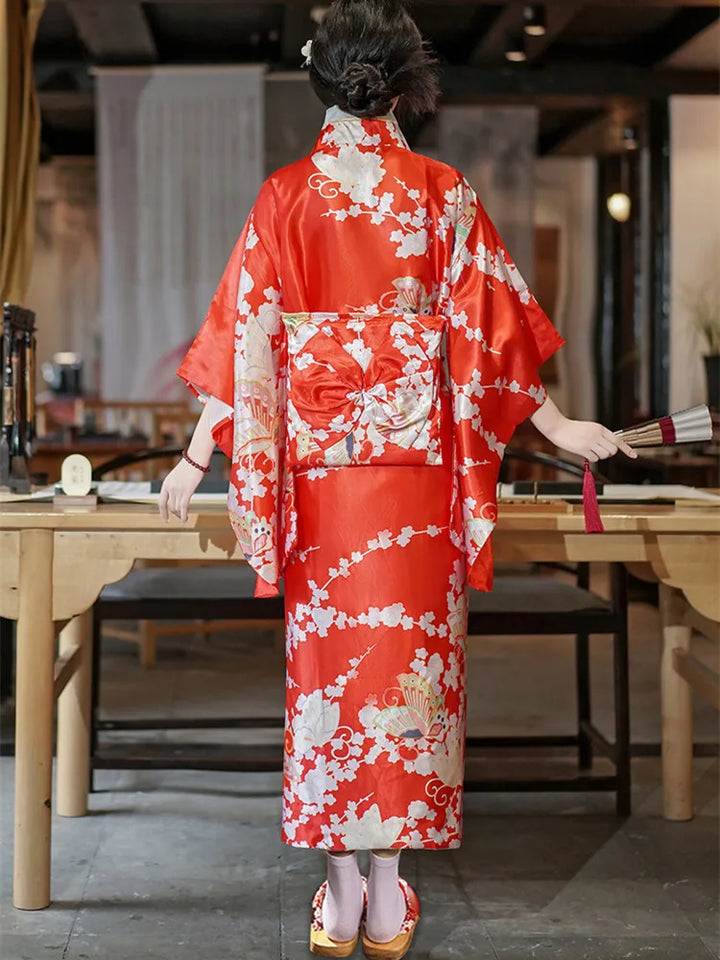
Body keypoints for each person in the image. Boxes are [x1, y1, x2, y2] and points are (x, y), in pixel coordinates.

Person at [158, 1, 637, 956]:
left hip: (325, 488)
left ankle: (337, 901)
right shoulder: (440, 190)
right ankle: (386, 899)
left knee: (331, 678)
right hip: (413, 489)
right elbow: (489, 342)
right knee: (412, 678)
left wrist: (198, 451)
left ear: (323, 84)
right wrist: (555, 423)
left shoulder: (285, 196)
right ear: (398, 85)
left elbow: (251, 344)